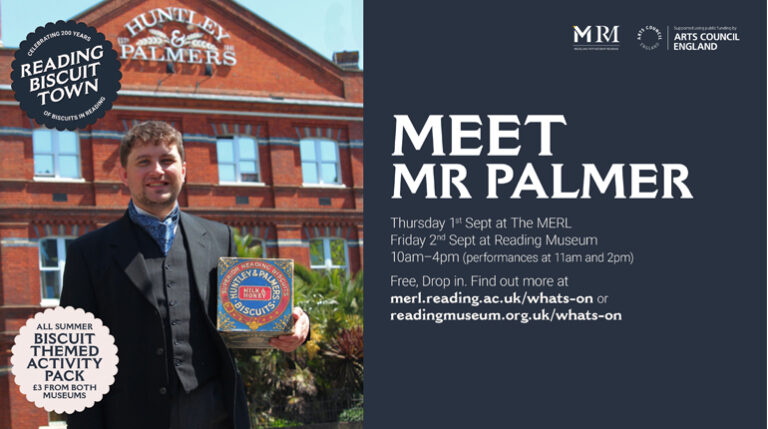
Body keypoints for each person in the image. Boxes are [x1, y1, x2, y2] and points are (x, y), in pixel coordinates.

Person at [60, 121, 309, 429]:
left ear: (184, 170)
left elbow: (245, 321)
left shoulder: (219, 238)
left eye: (167, 160)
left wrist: (293, 326)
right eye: (143, 162)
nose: (157, 170)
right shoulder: (88, 252)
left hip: (212, 414)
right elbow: (75, 359)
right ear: (124, 174)